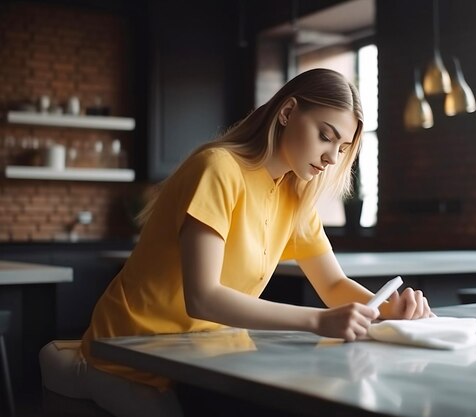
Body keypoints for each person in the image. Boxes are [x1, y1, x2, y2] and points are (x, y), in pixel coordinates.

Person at [76, 68, 432, 416]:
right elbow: (203, 298)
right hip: (133, 353)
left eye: (342, 147)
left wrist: (386, 312)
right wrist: (319, 321)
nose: (332, 158)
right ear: (288, 112)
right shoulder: (217, 168)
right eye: (326, 136)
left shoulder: (297, 197)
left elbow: (334, 284)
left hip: (210, 359)